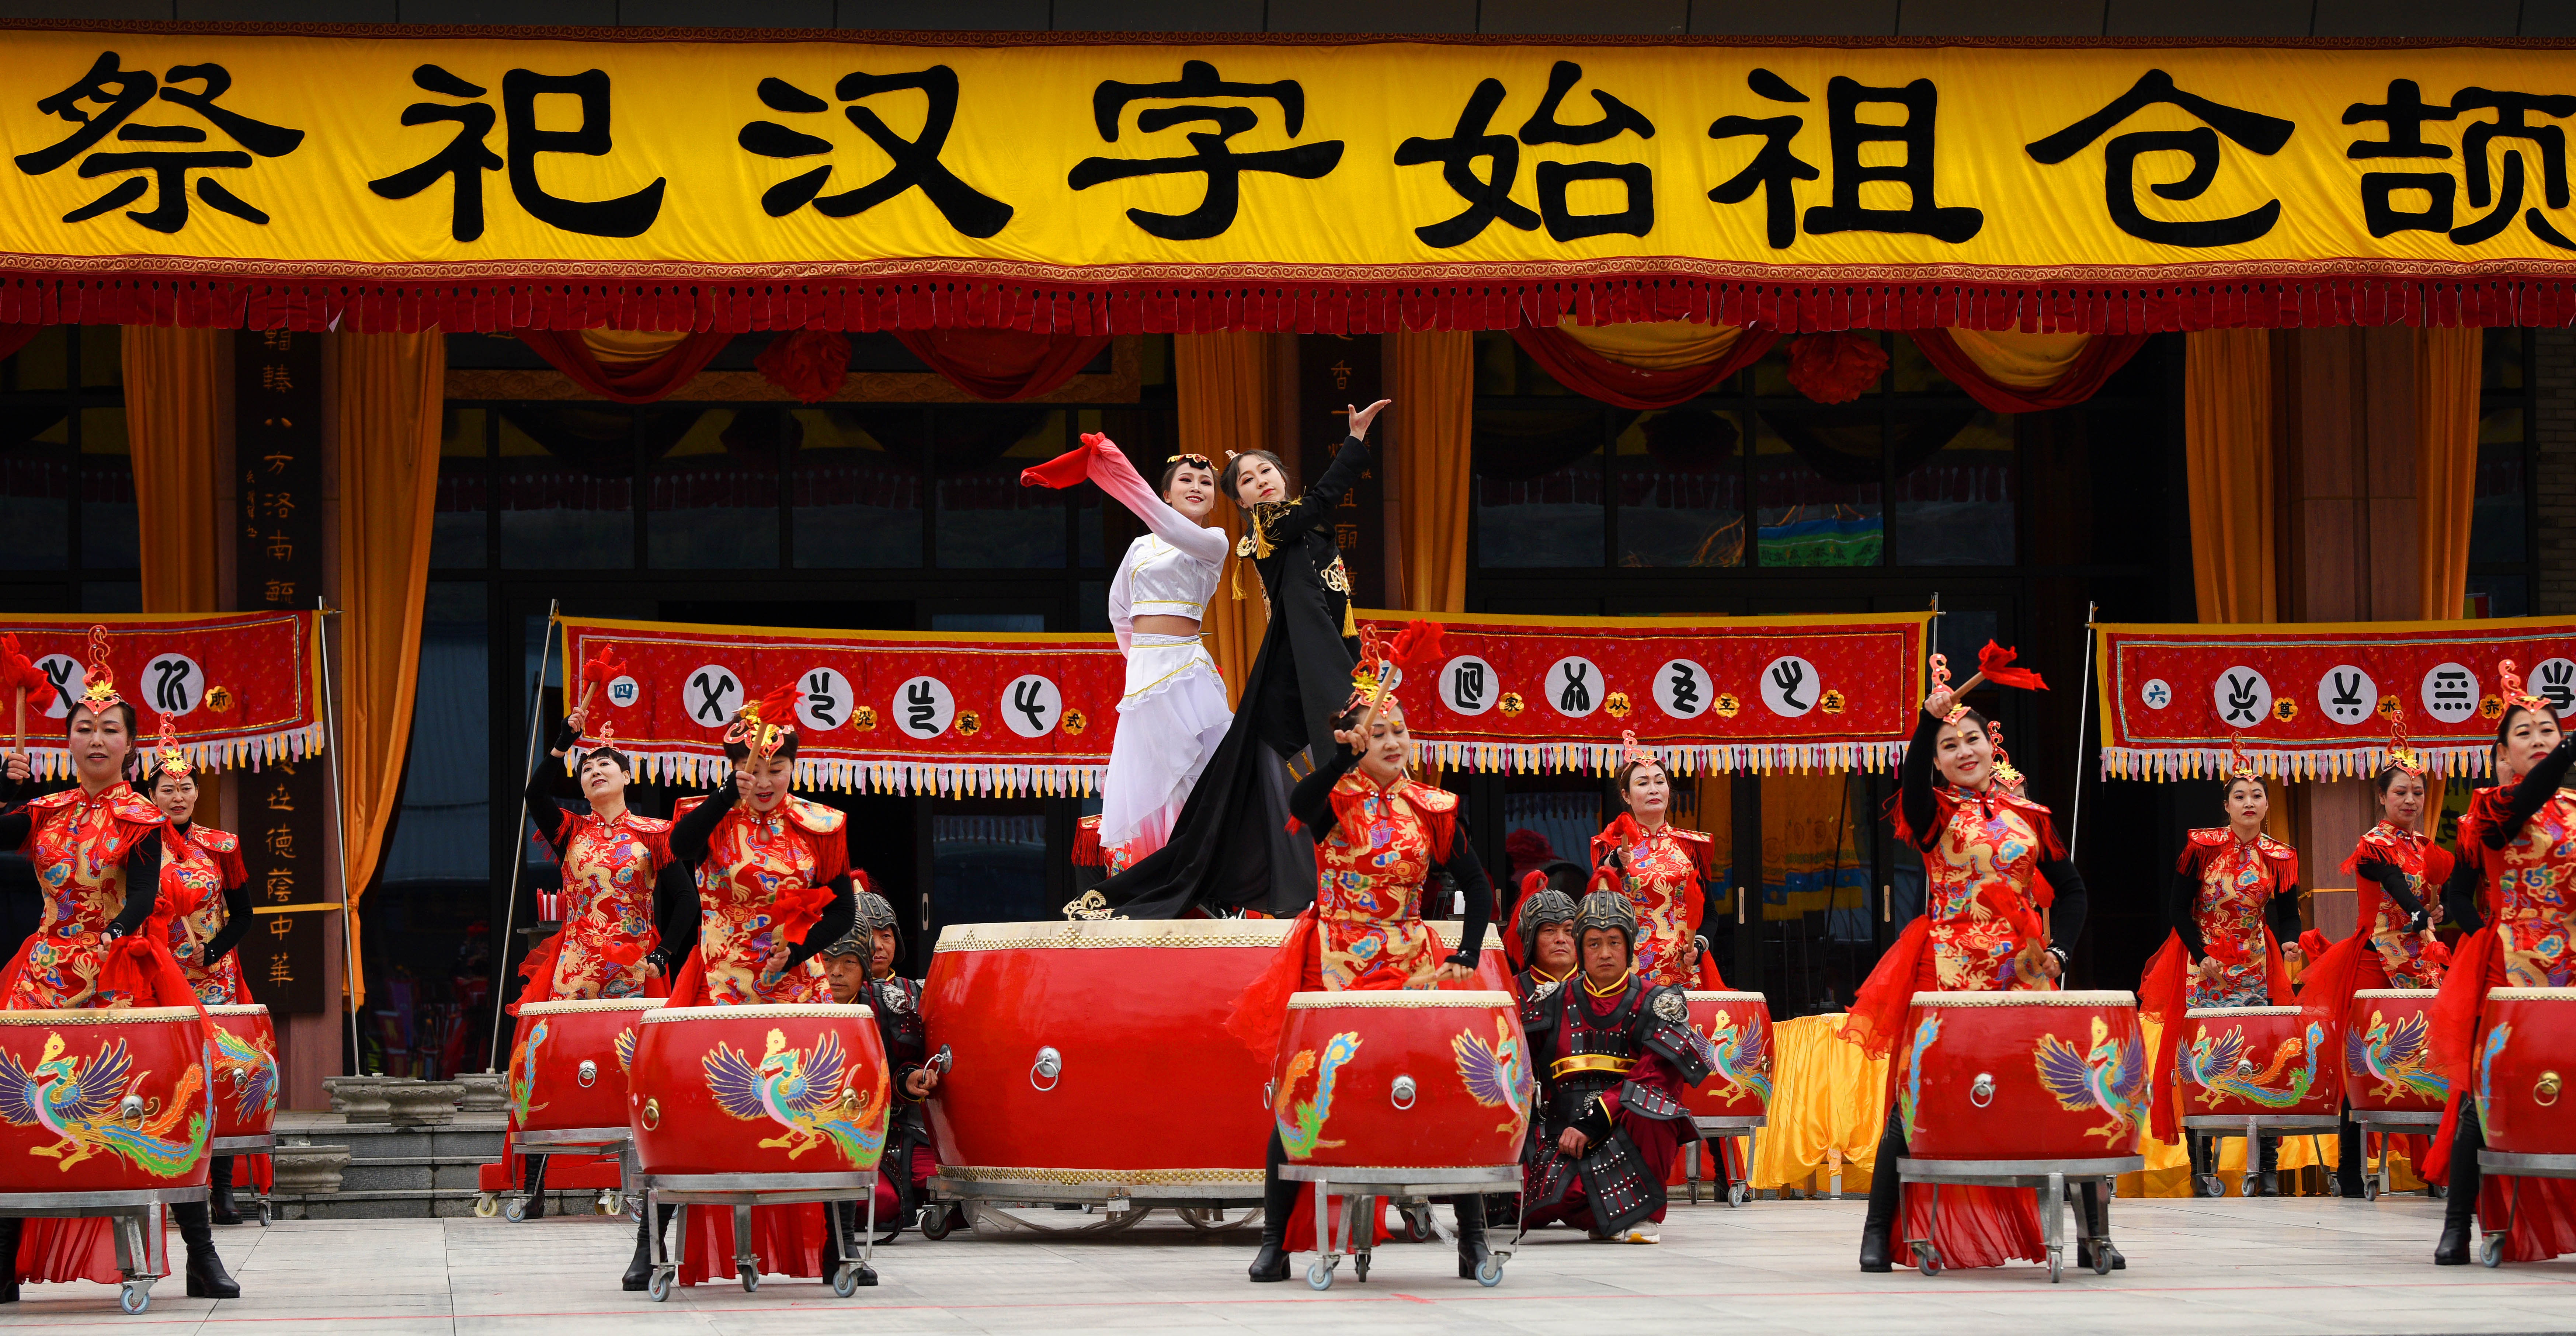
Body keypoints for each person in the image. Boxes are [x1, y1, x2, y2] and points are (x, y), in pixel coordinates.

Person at [1226, 626, 1495, 1284]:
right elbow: (1297, 801)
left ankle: (1474, 1240)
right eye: (1381, 734)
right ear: (1357, 742)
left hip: (1412, 959)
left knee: (1444, 1088)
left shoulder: (1431, 807)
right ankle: (1273, 1241)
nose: (1396, 742)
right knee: (1304, 1090)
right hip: (1334, 955)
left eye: (1400, 731)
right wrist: (1339, 758)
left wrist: (1463, 950)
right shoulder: (1334, 800)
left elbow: (1478, 885)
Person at [1094, 400, 1393, 919]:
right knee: (1250, 780)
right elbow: (1120, 610)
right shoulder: (1271, 528)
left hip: (1316, 662)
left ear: (1282, 475)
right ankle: (1282, 888)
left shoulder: (1277, 529)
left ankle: (1320, 884)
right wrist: (1355, 441)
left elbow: (1324, 573)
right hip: (1289, 670)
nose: (1258, 482)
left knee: (1281, 776)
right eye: (1246, 482)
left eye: (1264, 472)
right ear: (1241, 503)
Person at [0, 645, 236, 1301]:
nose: (95, 737)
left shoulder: (142, 815)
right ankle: (2, 1255)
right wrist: (4, 782)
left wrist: (109, 935)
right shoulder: (46, 810)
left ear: (130, 746)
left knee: (166, 1094)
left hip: (118, 965)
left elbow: (138, 892)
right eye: (83, 727)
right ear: (67, 740)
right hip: (44, 972)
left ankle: (201, 1250)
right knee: (12, 1103)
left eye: (109, 729)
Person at [1842, 662, 2094, 1275]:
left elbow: (2073, 888)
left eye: (1971, 739)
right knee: (1915, 1096)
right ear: (1937, 758)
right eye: (1948, 744)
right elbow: (1908, 778)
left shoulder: (2030, 815)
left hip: (2023, 971)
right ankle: (1876, 1232)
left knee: (2058, 1093)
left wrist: (2057, 954)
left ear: (1992, 744)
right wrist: (1922, 723)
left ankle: (2091, 1234)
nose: (1962, 750)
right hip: (1945, 968)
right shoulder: (1933, 813)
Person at [621, 684, 860, 1292]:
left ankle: (841, 1245)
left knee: (822, 1107)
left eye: (776, 770)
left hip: (795, 986)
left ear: (794, 768)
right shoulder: (706, 818)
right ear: (732, 769)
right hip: (722, 980)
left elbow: (841, 910)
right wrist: (731, 787)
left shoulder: (820, 825)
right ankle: (651, 1246)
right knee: (693, 1106)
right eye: (753, 770)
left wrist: (800, 948)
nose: (764, 781)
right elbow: (674, 850)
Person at [1023, 436, 1230, 873]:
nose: (1197, 487)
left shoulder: (1214, 541)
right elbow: (1120, 610)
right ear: (1167, 493)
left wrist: (1113, 468)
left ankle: (1196, 873)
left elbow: (1168, 526)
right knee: (1154, 781)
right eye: (1186, 480)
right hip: (1145, 677)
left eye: (1206, 483)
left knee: (1191, 774)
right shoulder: (1140, 547)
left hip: (1186, 671)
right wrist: (1141, 664)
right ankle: (1156, 875)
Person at [2429, 663, 2576, 1265]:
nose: (2539, 736)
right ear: (2501, 751)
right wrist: (2568, 747)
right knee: (2481, 1092)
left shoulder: (2574, 809)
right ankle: (2458, 1222)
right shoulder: (2492, 806)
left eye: (2548, 728)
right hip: (2511, 965)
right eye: (2526, 732)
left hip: (2570, 958)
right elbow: (2465, 889)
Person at [514, 707, 673, 1221]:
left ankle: (643, 1183)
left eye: (606, 763)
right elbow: (535, 795)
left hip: (635, 973)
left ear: (627, 776)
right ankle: (533, 1187)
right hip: (577, 971)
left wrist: (663, 953)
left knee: (639, 1072)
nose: (595, 769)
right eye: (587, 767)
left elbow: (688, 901)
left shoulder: (654, 833)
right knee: (553, 1069)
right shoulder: (570, 831)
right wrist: (562, 743)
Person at [2138, 737, 2302, 1197]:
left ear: (2268, 804)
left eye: (2257, 795)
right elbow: (2176, 909)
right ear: (2226, 805)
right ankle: (2199, 1168)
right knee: (2200, 1063)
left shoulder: (2280, 856)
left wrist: (2289, 941)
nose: (2249, 803)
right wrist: (2202, 955)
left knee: (2263, 1057)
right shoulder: (2203, 847)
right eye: (2239, 796)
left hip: (2254, 966)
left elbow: (2287, 913)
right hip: (2203, 966)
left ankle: (2266, 1166)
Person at [2299, 706, 2450, 1198]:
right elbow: (2392, 885)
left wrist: (2434, 910)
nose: (2409, 800)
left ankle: (2434, 1167)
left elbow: (2432, 897)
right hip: (2373, 962)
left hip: (2420, 961)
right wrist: (2415, 909)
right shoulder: (2372, 844)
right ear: (2381, 798)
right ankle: (2348, 1167)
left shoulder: (2425, 847)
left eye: (2416, 792)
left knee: (2430, 1057)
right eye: (2399, 793)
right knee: (2362, 1058)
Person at [1519, 891, 1708, 1245]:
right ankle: (1613, 1215)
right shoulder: (1550, 1002)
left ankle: (1644, 1216)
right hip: (1567, 1140)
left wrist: (1597, 1118)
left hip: (1628, 1129)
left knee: (1655, 1107)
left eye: (1613, 942)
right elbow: (1516, 1071)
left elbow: (1657, 1075)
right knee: (1556, 1201)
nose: (1604, 953)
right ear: (1580, 947)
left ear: (1629, 945)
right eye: (1593, 943)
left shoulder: (1659, 1002)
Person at [143, 720, 254, 1225]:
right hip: (159, 977)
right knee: (167, 1080)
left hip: (215, 978)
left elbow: (244, 915)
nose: (178, 796)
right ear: (151, 794)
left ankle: (224, 1191)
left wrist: (215, 952)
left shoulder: (221, 846)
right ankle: (165, 1182)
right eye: (167, 788)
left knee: (221, 1077)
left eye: (186, 787)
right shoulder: (140, 848)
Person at [1588, 733, 1723, 990]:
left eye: (1659, 782)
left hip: (1685, 972)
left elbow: (1709, 912)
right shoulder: (1611, 846)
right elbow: (1597, 898)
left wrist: (1700, 944)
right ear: (1627, 796)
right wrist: (1615, 860)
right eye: (1642, 783)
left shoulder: (1689, 845)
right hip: (1630, 973)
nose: (1653, 789)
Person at [1511, 876, 1581, 999]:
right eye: (1550, 930)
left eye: (1569, 931)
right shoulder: (1510, 991)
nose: (1561, 939)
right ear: (1530, 938)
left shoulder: (1597, 988)